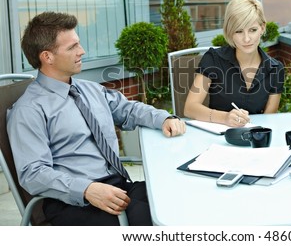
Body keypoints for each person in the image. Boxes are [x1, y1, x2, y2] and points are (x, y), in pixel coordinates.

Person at [6, 12, 186, 226]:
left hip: (117, 186)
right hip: (74, 202)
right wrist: (87, 190)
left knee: (180, 198)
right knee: (160, 222)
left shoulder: (90, 90)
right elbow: (33, 173)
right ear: (47, 57)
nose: (82, 51)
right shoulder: (29, 110)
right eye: (72, 47)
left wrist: (164, 118)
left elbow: (128, 110)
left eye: (78, 44)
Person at [184, 0, 285, 127]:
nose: (247, 38)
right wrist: (224, 117)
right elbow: (190, 108)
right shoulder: (213, 59)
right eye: (239, 31)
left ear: (262, 28)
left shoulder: (275, 69)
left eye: (253, 30)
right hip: (217, 137)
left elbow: (269, 118)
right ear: (230, 32)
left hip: (254, 139)